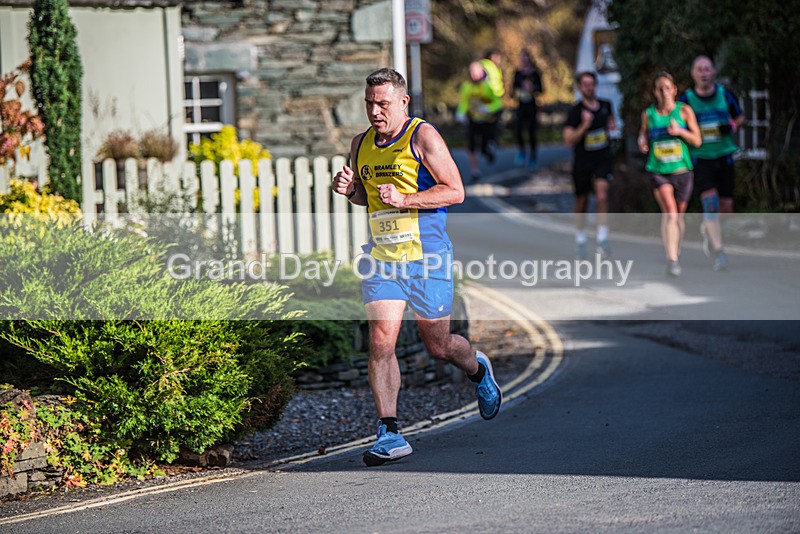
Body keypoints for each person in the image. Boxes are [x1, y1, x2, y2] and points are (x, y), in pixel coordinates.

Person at [331, 68, 502, 467]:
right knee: (381, 339)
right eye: (370, 103)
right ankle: (389, 432)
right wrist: (349, 190)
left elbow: (455, 191)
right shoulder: (360, 145)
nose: (375, 111)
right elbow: (367, 199)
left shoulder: (422, 137)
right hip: (383, 258)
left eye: (383, 104)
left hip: (428, 258)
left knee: (439, 345)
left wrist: (406, 198)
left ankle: (477, 370)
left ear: (403, 102)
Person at [678, 55, 746, 271]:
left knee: (726, 209)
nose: (704, 73)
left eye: (707, 69)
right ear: (693, 74)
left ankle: (709, 229)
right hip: (701, 159)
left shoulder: (725, 94)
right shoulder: (686, 100)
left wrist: (733, 126)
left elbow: (741, 117)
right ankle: (720, 252)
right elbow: (677, 125)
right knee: (711, 205)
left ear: (714, 72)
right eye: (700, 69)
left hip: (724, 156)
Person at [638, 72, 702, 277]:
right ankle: (672, 259)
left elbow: (697, 140)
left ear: (674, 90)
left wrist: (680, 132)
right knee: (671, 213)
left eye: (667, 87)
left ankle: (675, 246)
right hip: (658, 171)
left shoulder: (684, 111)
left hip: (682, 171)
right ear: (655, 92)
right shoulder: (649, 114)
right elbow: (643, 134)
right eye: (660, 88)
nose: (664, 92)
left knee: (678, 218)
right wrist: (642, 141)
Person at [563, 71, 617, 259]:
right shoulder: (575, 111)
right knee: (582, 201)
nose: (589, 87)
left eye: (592, 84)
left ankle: (602, 238)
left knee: (602, 196)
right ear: (579, 87)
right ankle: (580, 239)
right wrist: (584, 126)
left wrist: (612, 127)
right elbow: (568, 139)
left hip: (602, 158)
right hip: (582, 161)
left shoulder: (606, 106)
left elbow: (612, 125)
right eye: (585, 84)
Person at [456, 61, 503, 181]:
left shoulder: (488, 86)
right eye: (471, 71)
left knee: (484, 147)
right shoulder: (466, 86)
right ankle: (474, 171)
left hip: (487, 121)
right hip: (473, 119)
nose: (473, 74)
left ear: (482, 72)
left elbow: (498, 103)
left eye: (476, 71)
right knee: (471, 145)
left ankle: (489, 151)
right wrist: (460, 113)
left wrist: (488, 108)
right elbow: (464, 102)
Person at [511, 49, 544, 170]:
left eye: (526, 58)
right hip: (521, 105)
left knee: (531, 132)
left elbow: (541, 90)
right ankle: (522, 152)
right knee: (518, 130)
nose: (524, 60)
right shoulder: (518, 73)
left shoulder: (535, 73)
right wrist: (517, 91)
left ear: (529, 59)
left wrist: (532, 88)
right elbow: (512, 90)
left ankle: (533, 157)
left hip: (531, 105)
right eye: (522, 58)